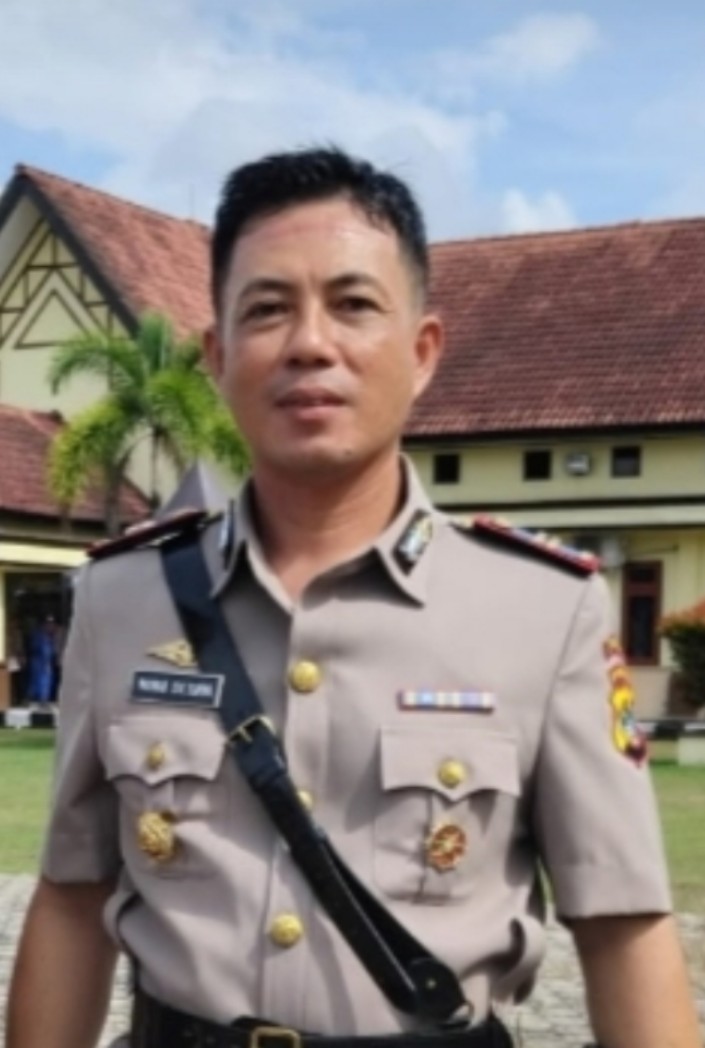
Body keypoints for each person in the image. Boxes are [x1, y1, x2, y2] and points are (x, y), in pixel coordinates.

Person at [7, 147, 701, 1048]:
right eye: (267, 309)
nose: (309, 343)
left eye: (353, 304)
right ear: (217, 357)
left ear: (421, 353)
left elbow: (621, 926)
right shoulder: (121, 599)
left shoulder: (540, 610)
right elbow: (72, 897)